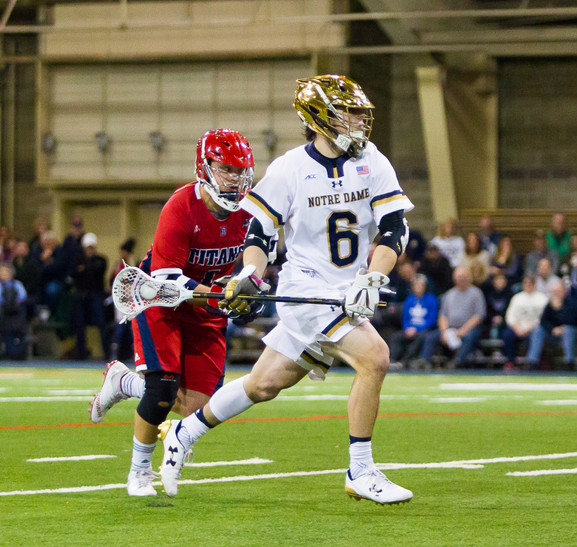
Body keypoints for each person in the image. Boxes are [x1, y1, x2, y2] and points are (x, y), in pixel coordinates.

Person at [157, 76, 414, 504]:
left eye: (358, 112)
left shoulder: (372, 160)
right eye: (348, 112)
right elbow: (259, 235)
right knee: (376, 357)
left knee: (264, 384)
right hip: (307, 290)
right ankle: (361, 470)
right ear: (319, 117)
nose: (358, 120)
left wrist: (373, 277)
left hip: (347, 290)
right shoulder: (290, 169)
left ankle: (186, 430)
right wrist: (250, 275)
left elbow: (393, 228)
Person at [87, 128, 259, 498]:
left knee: (199, 407)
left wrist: (250, 289)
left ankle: (124, 382)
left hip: (206, 308)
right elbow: (168, 279)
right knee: (162, 388)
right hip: (160, 300)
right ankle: (139, 472)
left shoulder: (249, 212)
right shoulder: (181, 206)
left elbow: (253, 262)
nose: (235, 179)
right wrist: (221, 296)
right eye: (226, 169)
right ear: (205, 166)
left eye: (240, 171)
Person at [425, 266, 486, 369]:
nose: (461, 279)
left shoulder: (476, 293)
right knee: (430, 337)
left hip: (469, 328)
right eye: (458, 277)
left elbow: (479, 315)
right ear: (454, 278)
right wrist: (444, 331)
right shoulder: (449, 294)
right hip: (451, 327)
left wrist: (463, 330)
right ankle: (424, 361)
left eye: (463, 276)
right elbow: (443, 315)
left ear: (468, 277)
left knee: (470, 336)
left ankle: (458, 362)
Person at [70, 232, 108, 360]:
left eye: (91, 248)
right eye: (87, 248)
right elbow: (74, 273)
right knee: (79, 323)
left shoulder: (101, 260)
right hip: (82, 295)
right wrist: (87, 269)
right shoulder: (78, 260)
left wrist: (84, 269)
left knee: (101, 322)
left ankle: (106, 352)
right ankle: (81, 353)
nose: (89, 250)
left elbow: (96, 270)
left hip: (96, 294)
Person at [388, 274, 438, 369]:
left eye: (420, 285)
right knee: (395, 337)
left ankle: (405, 361)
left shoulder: (431, 299)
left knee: (421, 337)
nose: (418, 287)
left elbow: (432, 320)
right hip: (409, 328)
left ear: (424, 286)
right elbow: (405, 318)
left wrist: (416, 329)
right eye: (416, 285)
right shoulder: (409, 300)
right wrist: (407, 328)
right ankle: (392, 360)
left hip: (424, 329)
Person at [530, 279, 577, 369]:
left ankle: (569, 362)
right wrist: (552, 329)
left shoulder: (571, 302)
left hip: (569, 332)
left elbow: (574, 320)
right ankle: (532, 362)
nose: (556, 294)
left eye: (558, 291)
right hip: (552, 333)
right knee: (537, 330)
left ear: (564, 291)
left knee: (567, 330)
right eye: (554, 292)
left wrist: (559, 309)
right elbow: (543, 321)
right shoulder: (550, 305)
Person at [501, 275, 548, 370]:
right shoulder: (517, 298)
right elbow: (510, 316)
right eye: (525, 283)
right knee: (507, 334)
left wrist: (528, 328)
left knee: (538, 332)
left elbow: (542, 318)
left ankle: (531, 362)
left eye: (530, 283)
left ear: (534, 285)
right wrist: (517, 328)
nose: (528, 285)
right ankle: (510, 361)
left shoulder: (542, 299)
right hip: (518, 327)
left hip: (533, 328)